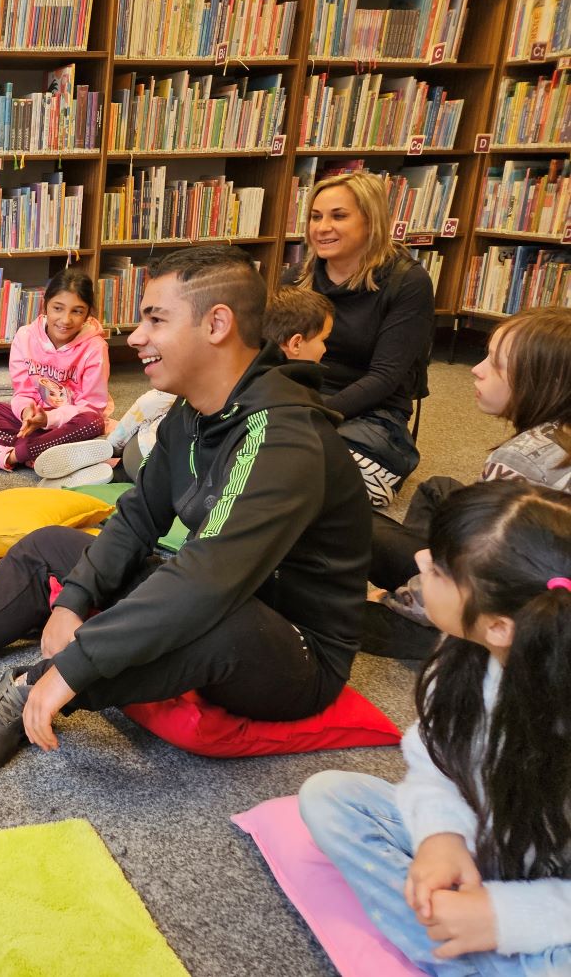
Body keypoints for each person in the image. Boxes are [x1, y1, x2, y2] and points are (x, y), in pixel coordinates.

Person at [0, 246, 370, 776]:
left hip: (293, 653)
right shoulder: (193, 412)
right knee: (49, 544)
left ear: (217, 324)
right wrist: (75, 597)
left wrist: (72, 667)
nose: (137, 336)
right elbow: (138, 516)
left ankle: (32, 685)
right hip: (227, 595)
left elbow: (205, 582)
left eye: (155, 319)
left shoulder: (282, 437)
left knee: (207, 612)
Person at [300, 482, 571, 975]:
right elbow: (435, 762)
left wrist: (505, 917)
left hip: (552, 897)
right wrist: (441, 836)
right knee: (330, 797)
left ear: (499, 626)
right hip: (494, 846)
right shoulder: (463, 655)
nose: (421, 558)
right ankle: (466, 949)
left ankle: (462, 950)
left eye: (441, 569)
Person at [366, 306, 571, 658]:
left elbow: (477, 566)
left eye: (496, 364)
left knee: (348, 564)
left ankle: (425, 608)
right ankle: (427, 580)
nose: (476, 369)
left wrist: (399, 599)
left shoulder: (521, 461)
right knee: (438, 489)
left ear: (544, 382)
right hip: (529, 579)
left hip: (512, 621)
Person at [34, 283, 334, 487]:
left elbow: (150, 402)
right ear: (296, 343)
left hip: (142, 441)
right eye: (324, 340)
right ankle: (112, 472)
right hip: (162, 465)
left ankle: (110, 452)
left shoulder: (224, 371)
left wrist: (117, 438)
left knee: (157, 406)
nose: (326, 349)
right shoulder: (285, 393)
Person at [288, 170, 435, 507]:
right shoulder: (298, 277)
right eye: (316, 217)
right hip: (301, 396)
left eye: (338, 216)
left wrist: (314, 415)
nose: (322, 227)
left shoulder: (408, 282)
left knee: (325, 480)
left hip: (373, 409)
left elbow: (384, 377)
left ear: (371, 222)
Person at [0, 268, 114, 471]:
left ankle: (14, 455)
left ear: (87, 313)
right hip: (33, 422)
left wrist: (48, 419)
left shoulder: (95, 347)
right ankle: (43, 449)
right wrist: (27, 413)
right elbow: (23, 392)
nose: (66, 320)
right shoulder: (25, 337)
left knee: (93, 422)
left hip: (70, 423)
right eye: (58, 308)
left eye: (77, 311)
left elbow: (92, 407)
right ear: (45, 304)